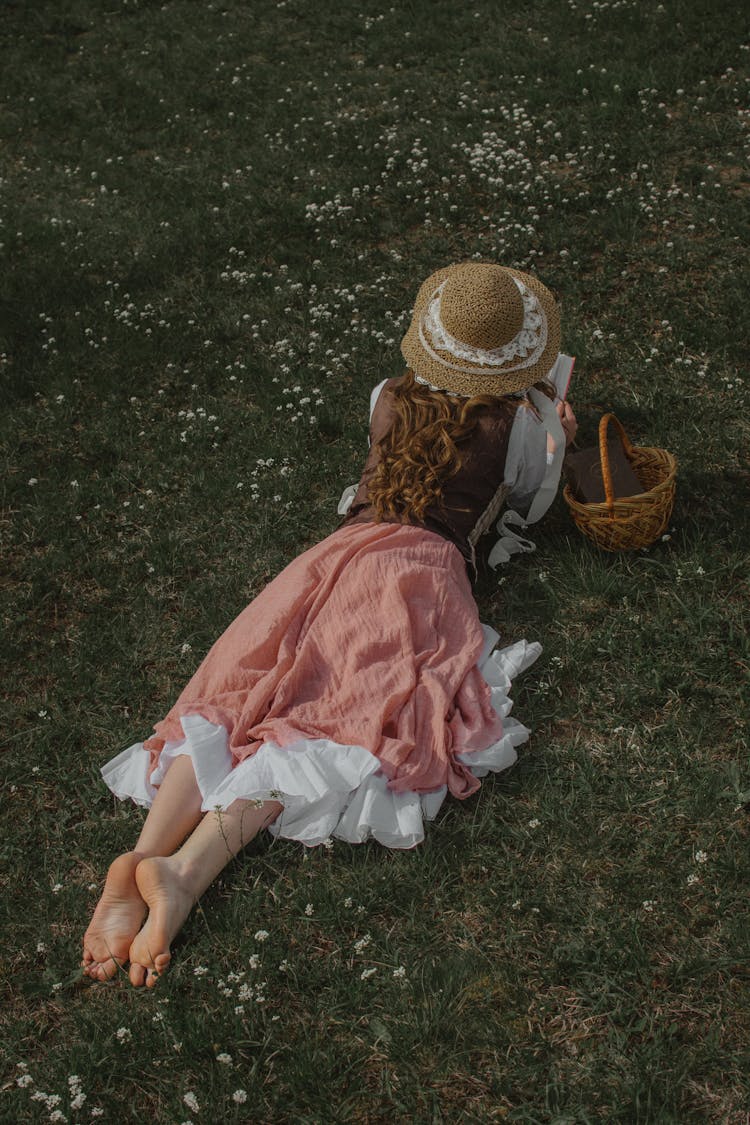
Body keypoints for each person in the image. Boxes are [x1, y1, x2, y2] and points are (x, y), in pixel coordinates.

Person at [82, 261, 577, 987]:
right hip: (418, 576)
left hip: (332, 560)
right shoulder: (525, 427)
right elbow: (532, 506)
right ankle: (186, 871)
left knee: (246, 692)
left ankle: (141, 855)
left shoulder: (387, 394)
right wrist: (557, 435)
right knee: (333, 721)